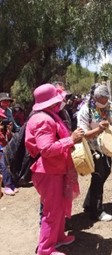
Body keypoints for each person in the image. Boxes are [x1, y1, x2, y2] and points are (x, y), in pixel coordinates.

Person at [25, 83, 84, 255]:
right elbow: (47, 149)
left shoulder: (48, 116)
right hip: (48, 171)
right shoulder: (43, 119)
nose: (60, 102)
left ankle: (57, 238)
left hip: (54, 169)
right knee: (51, 211)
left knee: (58, 208)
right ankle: (45, 249)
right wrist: (70, 140)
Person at [77, 84, 112, 221]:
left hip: (106, 146)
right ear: (95, 97)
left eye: (105, 99)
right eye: (101, 99)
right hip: (93, 148)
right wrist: (98, 130)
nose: (104, 102)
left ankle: (89, 203)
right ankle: (96, 211)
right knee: (99, 175)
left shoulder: (109, 105)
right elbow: (82, 134)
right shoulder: (85, 110)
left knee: (105, 172)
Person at [0, 108, 18, 196]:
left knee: (9, 164)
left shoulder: (2, 128)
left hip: (3, 148)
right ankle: (7, 185)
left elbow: (6, 139)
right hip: (1, 149)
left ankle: (11, 183)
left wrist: (9, 131)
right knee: (4, 165)